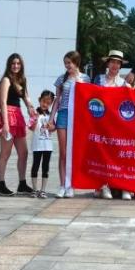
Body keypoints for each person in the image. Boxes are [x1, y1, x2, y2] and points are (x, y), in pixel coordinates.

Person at [48, 50, 89, 198]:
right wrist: (51, 118)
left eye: (69, 63)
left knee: (74, 152)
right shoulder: (61, 79)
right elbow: (57, 100)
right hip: (64, 114)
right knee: (63, 152)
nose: (67, 66)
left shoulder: (85, 78)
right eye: (65, 63)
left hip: (78, 116)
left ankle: (71, 184)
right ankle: (62, 185)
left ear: (76, 62)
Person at [0, 52, 33, 197]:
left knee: (24, 152)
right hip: (8, 116)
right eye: (13, 63)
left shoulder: (22, 79)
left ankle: (22, 184)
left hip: (18, 116)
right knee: (5, 153)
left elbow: (26, 97)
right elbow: (3, 102)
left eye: (18, 63)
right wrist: (5, 124)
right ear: (9, 65)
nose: (16, 66)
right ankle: (1, 185)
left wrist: (31, 108)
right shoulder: (6, 80)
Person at [95, 49, 131, 200]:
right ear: (108, 63)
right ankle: (104, 186)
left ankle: (124, 186)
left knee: (120, 156)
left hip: (117, 125)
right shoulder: (98, 80)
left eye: (118, 63)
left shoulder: (124, 84)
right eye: (112, 62)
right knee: (102, 155)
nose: (115, 65)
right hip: (100, 124)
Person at [30, 90, 54, 197]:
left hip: (48, 146)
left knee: (45, 167)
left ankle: (43, 189)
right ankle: (35, 189)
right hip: (37, 146)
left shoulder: (51, 115)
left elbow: (54, 128)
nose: (45, 104)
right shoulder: (34, 113)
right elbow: (31, 127)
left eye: (48, 103)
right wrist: (34, 121)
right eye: (43, 101)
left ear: (51, 104)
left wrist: (51, 127)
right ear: (39, 100)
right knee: (35, 166)